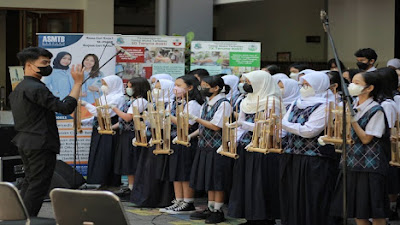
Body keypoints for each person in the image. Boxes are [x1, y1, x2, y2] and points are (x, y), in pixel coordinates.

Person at [9, 47, 84, 216]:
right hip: (40, 143)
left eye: (49, 63)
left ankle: (18, 216)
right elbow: (65, 107)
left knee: (30, 181)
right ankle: (26, 219)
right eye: (43, 63)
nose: (48, 66)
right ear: (28, 65)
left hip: (26, 141)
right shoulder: (36, 88)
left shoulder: (20, 88)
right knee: (38, 185)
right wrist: (78, 83)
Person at [330, 71, 390, 225]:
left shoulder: (376, 110)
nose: (352, 86)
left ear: (369, 88)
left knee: (375, 212)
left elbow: (366, 138)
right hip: (351, 164)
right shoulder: (352, 104)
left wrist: (353, 120)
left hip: (371, 167)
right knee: (358, 212)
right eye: (352, 82)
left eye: (357, 83)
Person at [280, 71, 336, 225]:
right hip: (292, 155)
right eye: (302, 85)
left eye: (307, 85)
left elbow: (310, 130)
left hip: (314, 158)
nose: (303, 88)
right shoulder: (296, 102)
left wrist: (283, 124)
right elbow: (285, 125)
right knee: (292, 195)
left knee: (312, 197)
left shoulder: (326, 105)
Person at [228, 70, 282, 225]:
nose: (247, 85)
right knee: (245, 182)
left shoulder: (272, 101)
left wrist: (243, 124)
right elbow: (241, 124)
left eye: (250, 82)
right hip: (247, 145)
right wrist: (233, 140)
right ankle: (250, 216)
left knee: (260, 183)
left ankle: (264, 218)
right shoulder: (247, 100)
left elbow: (269, 126)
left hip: (265, 146)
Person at [188, 76, 232, 224]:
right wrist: (190, 135)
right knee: (208, 178)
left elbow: (215, 126)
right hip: (204, 145)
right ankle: (210, 207)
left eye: (206, 86)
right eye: (202, 85)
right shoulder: (207, 103)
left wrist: (195, 118)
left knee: (217, 180)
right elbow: (202, 126)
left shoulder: (224, 103)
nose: (202, 88)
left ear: (216, 88)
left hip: (217, 147)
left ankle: (218, 210)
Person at [159, 75, 203, 214]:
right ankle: (178, 199)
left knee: (185, 171)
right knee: (175, 171)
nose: (175, 88)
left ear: (190, 87)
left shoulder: (193, 104)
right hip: (174, 140)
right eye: (175, 85)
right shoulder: (175, 102)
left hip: (187, 141)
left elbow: (184, 124)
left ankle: (188, 201)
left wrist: (166, 115)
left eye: (179, 85)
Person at [82, 75, 125, 188]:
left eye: (105, 84)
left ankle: (106, 181)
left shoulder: (119, 97)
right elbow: (98, 116)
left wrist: (86, 105)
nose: (103, 87)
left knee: (106, 155)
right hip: (99, 129)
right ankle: (95, 180)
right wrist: (85, 122)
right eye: (102, 84)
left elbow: (105, 113)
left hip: (110, 130)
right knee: (97, 153)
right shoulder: (104, 96)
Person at [112, 77, 150, 192]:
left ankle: (135, 187)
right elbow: (122, 121)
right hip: (125, 133)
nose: (128, 89)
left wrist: (114, 109)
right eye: (127, 86)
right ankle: (130, 186)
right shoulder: (131, 100)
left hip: (134, 134)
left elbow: (128, 117)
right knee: (127, 161)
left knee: (133, 161)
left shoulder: (141, 101)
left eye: (130, 86)